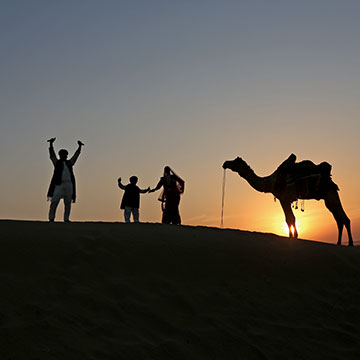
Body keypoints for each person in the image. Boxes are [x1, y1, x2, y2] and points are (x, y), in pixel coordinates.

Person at [47, 137, 84, 222]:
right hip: (59, 184)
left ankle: (66, 218)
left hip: (69, 184)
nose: (64, 156)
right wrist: (51, 144)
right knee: (54, 201)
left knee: (68, 203)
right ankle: (51, 218)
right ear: (60, 155)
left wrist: (79, 147)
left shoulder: (69, 163)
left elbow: (76, 156)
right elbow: (52, 155)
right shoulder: (57, 163)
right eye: (62, 155)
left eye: (65, 155)